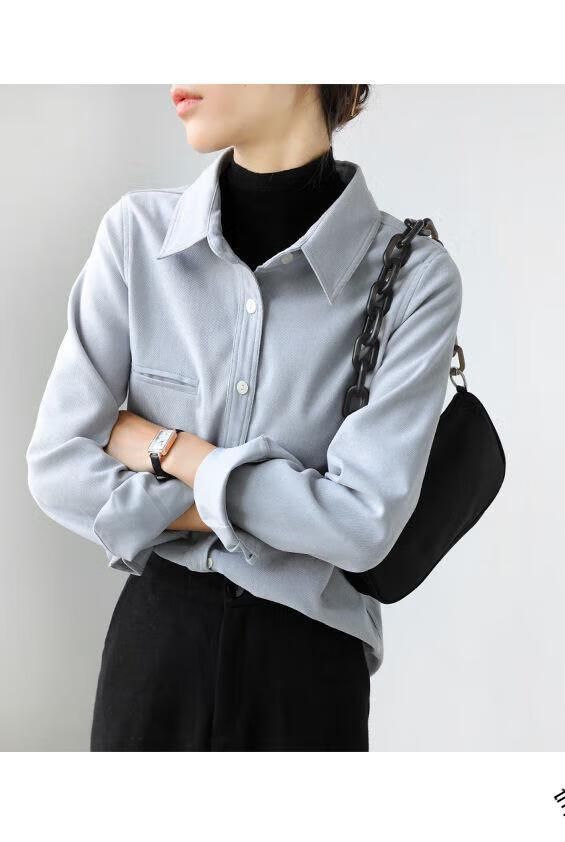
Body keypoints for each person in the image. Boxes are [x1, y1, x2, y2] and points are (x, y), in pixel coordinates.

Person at [25, 84, 463, 751]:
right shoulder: (136, 237)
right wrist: (287, 505)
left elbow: (361, 526)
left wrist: (172, 451)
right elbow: (57, 467)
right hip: (154, 654)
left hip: (308, 675)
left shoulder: (413, 279)